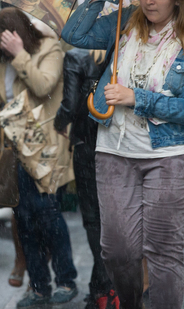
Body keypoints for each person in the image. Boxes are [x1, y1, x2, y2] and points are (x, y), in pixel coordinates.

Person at [61, 0, 184, 309]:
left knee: (163, 253)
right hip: (114, 151)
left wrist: (137, 98)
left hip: (169, 156)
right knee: (116, 249)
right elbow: (72, 33)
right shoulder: (125, 25)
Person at [0, 8, 78, 308]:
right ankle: (38, 287)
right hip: (13, 148)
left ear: (19, 34)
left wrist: (19, 54)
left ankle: (66, 280)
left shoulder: (49, 49)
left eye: (6, 39)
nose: (1, 46)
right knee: (23, 219)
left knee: (47, 214)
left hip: (45, 148)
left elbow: (42, 86)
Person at [54, 48, 120, 309]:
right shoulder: (122, 50)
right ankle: (102, 287)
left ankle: (105, 287)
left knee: (93, 220)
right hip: (116, 143)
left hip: (86, 144)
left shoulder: (76, 56)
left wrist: (58, 124)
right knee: (114, 218)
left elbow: (70, 104)